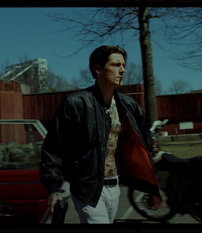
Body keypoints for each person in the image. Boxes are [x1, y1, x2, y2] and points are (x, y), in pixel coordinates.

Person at [39, 45, 162, 224]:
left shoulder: (129, 106)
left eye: (123, 65)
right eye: (116, 65)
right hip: (86, 188)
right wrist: (53, 187)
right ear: (97, 69)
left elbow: (144, 148)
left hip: (115, 185)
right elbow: (53, 147)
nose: (123, 70)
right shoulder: (76, 103)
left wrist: (153, 187)